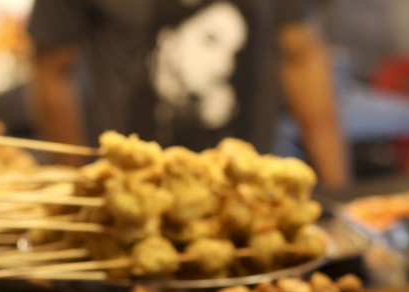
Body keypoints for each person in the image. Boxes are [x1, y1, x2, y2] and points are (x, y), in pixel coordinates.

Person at [26, 0, 350, 188]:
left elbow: (301, 52)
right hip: (134, 193)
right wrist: (79, 184)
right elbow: (52, 68)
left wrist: (341, 195)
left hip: (250, 191)